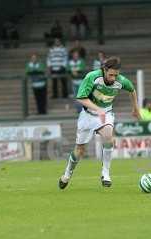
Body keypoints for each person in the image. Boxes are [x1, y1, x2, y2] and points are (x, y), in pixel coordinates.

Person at [58, 57, 140, 189]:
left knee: (109, 136)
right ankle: (67, 174)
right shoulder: (92, 77)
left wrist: (135, 108)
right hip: (88, 115)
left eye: (116, 75)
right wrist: (97, 109)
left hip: (106, 114)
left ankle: (105, 173)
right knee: (79, 150)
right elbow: (81, 98)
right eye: (111, 74)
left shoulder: (121, 81)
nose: (113, 78)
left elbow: (132, 90)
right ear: (104, 70)